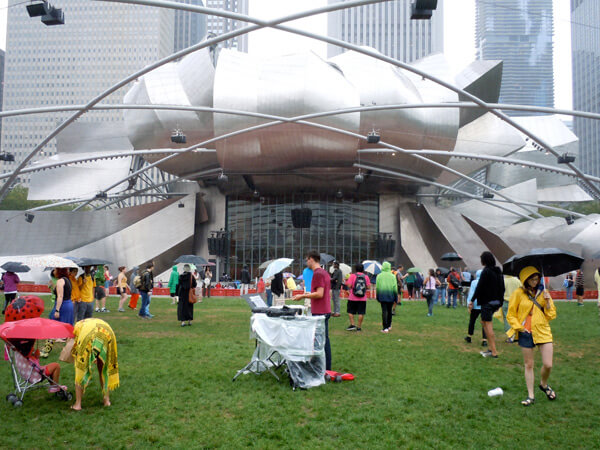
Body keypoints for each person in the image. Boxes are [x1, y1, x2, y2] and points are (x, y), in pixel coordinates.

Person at [506, 266, 557, 407]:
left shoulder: (543, 292)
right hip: (526, 333)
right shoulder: (518, 293)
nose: (536, 281)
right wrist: (520, 328)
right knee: (529, 364)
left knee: (548, 364)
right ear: (525, 280)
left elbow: (551, 315)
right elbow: (510, 314)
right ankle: (531, 396)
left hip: (542, 331)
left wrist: (547, 302)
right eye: (532, 279)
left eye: (537, 279)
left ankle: (543, 384)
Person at [292, 251, 332, 370]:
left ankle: (323, 367)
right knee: (323, 340)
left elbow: (319, 294)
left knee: (321, 342)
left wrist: (303, 296)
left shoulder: (318, 274)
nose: (306, 262)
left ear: (311, 259)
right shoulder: (324, 272)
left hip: (320, 311)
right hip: (325, 309)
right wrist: (308, 293)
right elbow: (323, 292)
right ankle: (324, 367)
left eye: (306, 260)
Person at [70, 318, 119, 411]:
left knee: (80, 367)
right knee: (104, 367)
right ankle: (106, 400)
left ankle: (78, 404)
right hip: (108, 332)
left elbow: (78, 347)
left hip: (90, 334)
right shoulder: (87, 323)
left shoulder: (77, 328)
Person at [470, 252, 505, 358]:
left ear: (484, 260)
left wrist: (472, 300)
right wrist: (500, 301)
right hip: (496, 302)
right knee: (483, 322)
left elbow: (479, 287)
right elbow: (502, 288)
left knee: (488, 325)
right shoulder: (498, 271)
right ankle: (490, 349)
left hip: (487, 303)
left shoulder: (486, 271)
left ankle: (493, 351)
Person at [345, 263, 370, 331]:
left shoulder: (352, 276)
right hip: (362, 298)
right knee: (361, 312)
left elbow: (349, 285)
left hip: (352, 297)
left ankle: (352, 324)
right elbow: (368, 287)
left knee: (350, 311)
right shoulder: (366, 277)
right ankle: (359, 327)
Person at [465, 270, 487, 346]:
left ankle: (469, 336)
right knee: (484, 322)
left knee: (472, 321)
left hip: (475, 305)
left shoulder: (474, 282)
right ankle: (484, 340)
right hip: (484, 305)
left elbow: (472, 293)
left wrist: (469, 303)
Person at [376, 261, 398, 332]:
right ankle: (389, 325)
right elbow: (395, 287)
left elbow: (378, 287)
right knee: (389, 311)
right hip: (391, 295)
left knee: (384, 311)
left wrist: (378, 297)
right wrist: (396, 297)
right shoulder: (392, 276)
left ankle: (385, 327)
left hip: (382, 295)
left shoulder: (379, 276)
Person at [503, 275, 522, 342]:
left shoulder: (503, 281)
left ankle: (510, 336)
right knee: (517, 318)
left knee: (507, 319)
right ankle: (518, 334)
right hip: (516, 302)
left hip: (506, 302)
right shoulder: (517, 281)